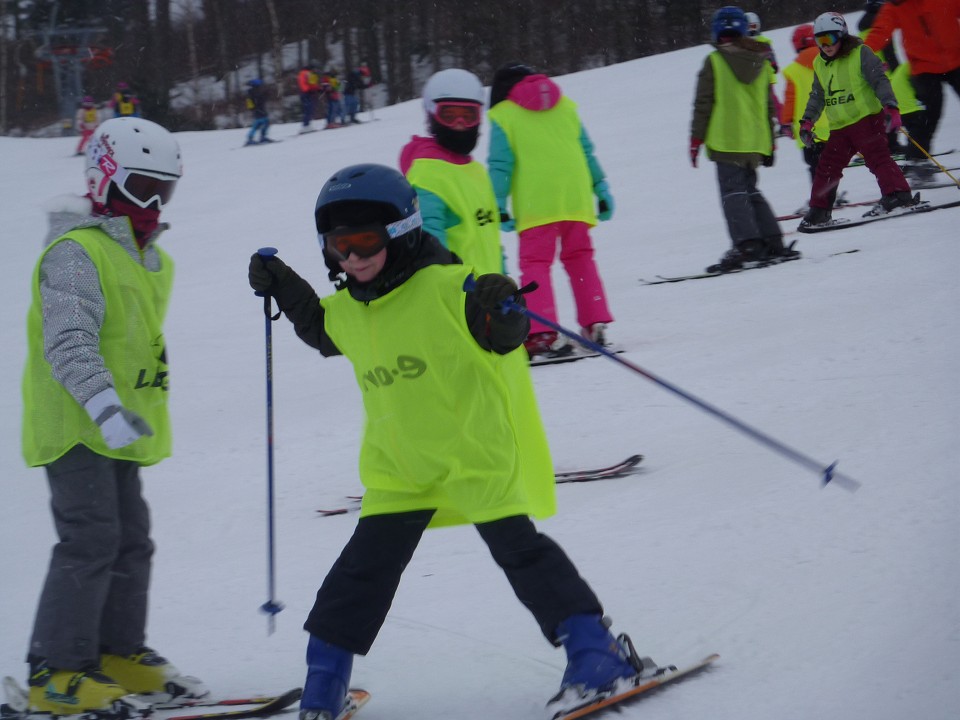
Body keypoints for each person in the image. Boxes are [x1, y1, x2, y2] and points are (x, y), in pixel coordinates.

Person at [247, 163, 649, 720]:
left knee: (522, 555)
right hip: (399, 471)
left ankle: (596, 652)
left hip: (473, 458)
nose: (354, 257)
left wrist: (502, 307)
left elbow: (501, 331)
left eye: (366, 240)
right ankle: (325, 682)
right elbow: (320, 329)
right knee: (358, 577)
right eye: (340, 246)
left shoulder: (447, 286)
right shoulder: (350, 310)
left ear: (402, 230)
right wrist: (284, 283)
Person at [21, 116, 206, 718]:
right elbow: (69, 341)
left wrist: (123, 411)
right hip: (78, 425)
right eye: (139, 189)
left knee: (131, 541)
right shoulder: (75, 252)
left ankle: (117, 651)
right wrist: (103, 406)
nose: (152, 206)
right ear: (104, 183)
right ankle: (59, 671)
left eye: (164, 191)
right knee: (90, 540)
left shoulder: (152, 260)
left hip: (117, 428)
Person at [487, 63, 615, 359]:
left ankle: (541, 333)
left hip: (536, 205)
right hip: (575, 198)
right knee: (581, 259)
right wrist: (601, 189)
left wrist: (498, 206)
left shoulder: (502, 115)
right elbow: (586, 152)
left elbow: (500, 166)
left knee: (535, 264)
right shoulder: (566, 107)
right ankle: (594, 324)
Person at [690, 6, 793, 273]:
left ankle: (747, 245)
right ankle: (772, 242)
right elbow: (768, 103)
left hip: (727, 140)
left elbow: (704, 103)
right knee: (750, 191)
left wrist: (695, 138)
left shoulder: (714, 61)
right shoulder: (760, 59)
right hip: (754, 140)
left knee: (733, 193)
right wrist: (770, 141)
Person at [798, 11, 916, 228]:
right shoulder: (819, 63)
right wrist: (807, 121)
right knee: (827, 167)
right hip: (839, 127)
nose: (826, 45)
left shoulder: (860, 53)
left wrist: (890, 106)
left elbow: (879, 80)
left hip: (866, 120)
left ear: (842, 35)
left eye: (830, 38)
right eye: (820, 40)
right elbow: (817, 95)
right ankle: (820, 209)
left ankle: (898, 195)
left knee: (877, 157)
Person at [399, 68, 504, 275]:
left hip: (491, 297)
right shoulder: (427, 175)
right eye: (449, 115)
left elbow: (490, 239)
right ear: (431, 114)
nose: (460, 125)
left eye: (468, 116)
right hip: (460, 300)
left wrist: (504, 283)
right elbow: (430, 251)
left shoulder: (476, 171)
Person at [862, 0, 960, 185]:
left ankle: (917, 160)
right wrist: (859, 56)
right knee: (930, 114)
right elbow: (879, 32)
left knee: (930, 114)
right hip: (923, 67)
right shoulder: (894, 7)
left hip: (957, 60)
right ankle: (917, 162)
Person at [244, 78, 273, 145]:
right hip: (259, 110)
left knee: (260, 124)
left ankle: (254, 138)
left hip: (258, 110)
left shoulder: (252, 92)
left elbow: (259, 100)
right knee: (262, 124)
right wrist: (266, 95)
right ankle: (255, 138)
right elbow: (260, 100)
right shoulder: (254, 92)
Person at [297, 61, 321, 133]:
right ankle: (305, 126)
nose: (316, 70)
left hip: (310, 93)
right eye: (315, 68)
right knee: (308, 109)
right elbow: (303, 83)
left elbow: (313, 84)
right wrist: (308, 90)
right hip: (306, 93)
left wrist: (317, 88)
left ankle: (308, 125)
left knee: (310, 109)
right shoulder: (305, 73)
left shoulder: (311, 74)